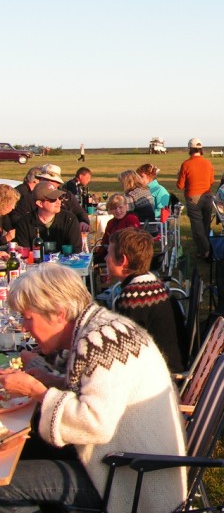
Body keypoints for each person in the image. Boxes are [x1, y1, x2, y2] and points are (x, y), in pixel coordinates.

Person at [0, 264, 186, 512]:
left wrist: (37, 391)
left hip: (132, 480)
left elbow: (95, 423)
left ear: (58, 313)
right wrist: (51, 381)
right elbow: (99, 391)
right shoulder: (101, 328)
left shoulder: (101, 342)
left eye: (27, 317)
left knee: (6, 483)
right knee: (26, 448)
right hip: (125, 462)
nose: (24, 327)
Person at [107, 228, 187, 372]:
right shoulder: (153, 283)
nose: (105, 258)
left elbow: (122, 352)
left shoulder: (132, 299)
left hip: (163, 374)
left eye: (109, 254)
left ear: (123, 260)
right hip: (172, 363)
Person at [14, 183, 82, 254]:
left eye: (60, 197)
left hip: (65, 261)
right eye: (53, 199)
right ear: (40, 203)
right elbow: (24, 252)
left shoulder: (69, 219)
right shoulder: (24, 223)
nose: (58, 201)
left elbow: (76, 249)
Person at [176, 137, 215, 260]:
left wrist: (179, 175)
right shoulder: (208, 163)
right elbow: (211, 181)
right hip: (207, 196)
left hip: (193, 197)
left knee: (197, 227)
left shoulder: (186, 164)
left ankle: (207, 251)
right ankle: (203, 250)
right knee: (206, 225)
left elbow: (180, 185)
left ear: (190, 149)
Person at [36, 164, 91, 232]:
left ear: (58, 183)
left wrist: (84, 222)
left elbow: (80, 212)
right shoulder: (32, 196)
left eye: (51, 180)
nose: (47, 183)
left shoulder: (66, 196)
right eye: (44, 179)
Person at [93, 193, 141, 261]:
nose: (118, 211)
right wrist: (97, 256)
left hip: (128, 257)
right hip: (112, 255)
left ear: (126, 206)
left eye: (120, 207)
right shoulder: (110, 223)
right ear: (110, 210)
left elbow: (133, 242)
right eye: (114, 208)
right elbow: (105, 241)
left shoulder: (131, 219)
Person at [0, 185, 21, 257]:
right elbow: (6, 238)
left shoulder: (3, 215)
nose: (13, 207)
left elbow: (11, 230)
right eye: (11, 204)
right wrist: (6, 238)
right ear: (3, 202)